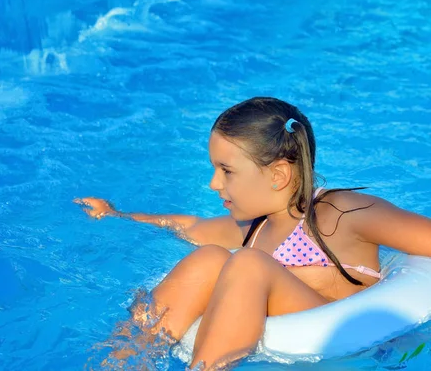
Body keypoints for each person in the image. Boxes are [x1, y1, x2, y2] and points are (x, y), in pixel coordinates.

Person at [75, 97, 431, 370]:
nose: (213, 183)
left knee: (247, 265)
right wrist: (117, 214)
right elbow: (190, 227)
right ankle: (123, 360)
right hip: (282, 342)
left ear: (277, 176)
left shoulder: (342, 213)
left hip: (355, 346)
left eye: (226, 171)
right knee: (208, 258)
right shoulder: (254, 227)